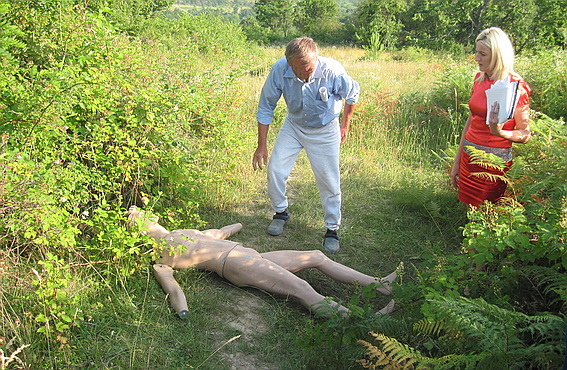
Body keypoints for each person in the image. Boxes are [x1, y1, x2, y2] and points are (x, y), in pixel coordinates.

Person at [127, 206, 398, 319]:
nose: (144, 214)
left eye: (141, 211)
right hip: (233, 264)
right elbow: (171, 286)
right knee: (302, 288)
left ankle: (380, 285)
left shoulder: (183, 232)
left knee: (315, 255)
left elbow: (225, 230)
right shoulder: (160, 256)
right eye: (138, 217)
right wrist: (182, 310)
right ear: (140, 231)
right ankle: (361, 320)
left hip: (246, 253)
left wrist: (238, 223)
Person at [252, 36, 360, 254]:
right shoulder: (279, 70)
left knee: (329, 180)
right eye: (302, 68)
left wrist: (345, 126)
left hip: (325, 128)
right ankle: (280, 213)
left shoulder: (333, 71)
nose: (308, 71)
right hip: (294, 125)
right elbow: (266, 107)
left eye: (311, 66)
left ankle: (332, 229)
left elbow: (352, 95)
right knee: (275, 170)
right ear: (289, 63)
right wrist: (261, 146)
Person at [451, 27, 531, 207]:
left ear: (497, 55)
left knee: (487, 214)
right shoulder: (479, 79)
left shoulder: (516, 87)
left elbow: (525, 134)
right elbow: (471, 121)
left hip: (493, 163)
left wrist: (500, 132)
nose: (477, 58)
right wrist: (457, 161)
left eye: (482, 54)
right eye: (476, 52)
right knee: (469, 212)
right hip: (469, 156)